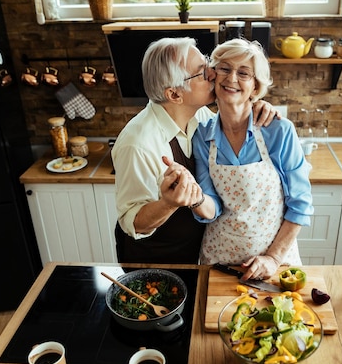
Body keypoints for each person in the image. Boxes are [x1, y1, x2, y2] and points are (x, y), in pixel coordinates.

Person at [112, 37, 277, 264]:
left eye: (207, 63)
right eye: (201, 72)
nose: (212, 74)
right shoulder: (138, 145)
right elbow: (133, 222)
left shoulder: (199, 115)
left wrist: (256, 103)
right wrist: (168, 203)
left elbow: (232, 118)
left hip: (196, 254)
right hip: (155, 263)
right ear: (175, 95)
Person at [192, 38, 314, 280]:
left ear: (256, 87)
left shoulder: (278, 130)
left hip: (274, 263)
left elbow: (300, 204)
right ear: (213, 75)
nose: (232, 78)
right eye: (225, 68)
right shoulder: (202, 135)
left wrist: (273, 258)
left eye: (244, 73)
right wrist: (193, 198)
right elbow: (213, 207)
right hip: (220, 263)